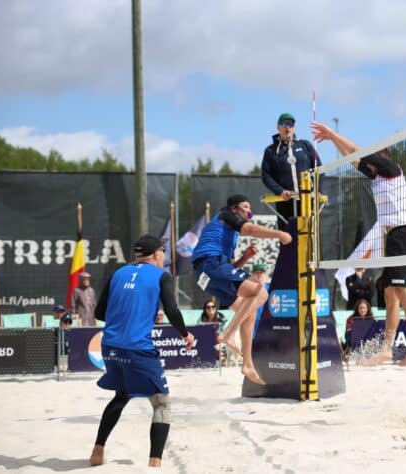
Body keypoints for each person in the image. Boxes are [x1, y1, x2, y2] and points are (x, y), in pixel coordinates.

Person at [312, 121, 406, 366]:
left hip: (403, 234)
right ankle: (387, 348)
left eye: (372, 161)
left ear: (381, 157)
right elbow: (354, 160)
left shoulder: (390, 166)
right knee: (388, 292)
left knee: (404, 292)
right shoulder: (377, 176)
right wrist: (333, 141)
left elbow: (358, 152)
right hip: (393, 237)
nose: (368, 165)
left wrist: (333, 133)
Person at [89, 234, 195, 468]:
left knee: (122, 394)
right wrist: (186, 334)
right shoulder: (161, 276)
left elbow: (99, 313)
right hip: (137, 348)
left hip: (110, 345)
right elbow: (172, 310)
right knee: (161, 404)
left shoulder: (118, 274)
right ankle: (154, 465)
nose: (164, 256)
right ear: (156, 254)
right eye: (163, 252)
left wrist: (125, 314)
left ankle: (97, 451)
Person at [191, 194, 292, 385]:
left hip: (206, 273)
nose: (248, 211)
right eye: (245, 207)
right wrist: (279, 234)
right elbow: (252, 229)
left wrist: (245, 257)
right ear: (234, 208)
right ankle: (229, 333)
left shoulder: (228, 234)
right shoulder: (226, 215)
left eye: (249, 208)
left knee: (250, 310)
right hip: (209, 265)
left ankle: (247, 364)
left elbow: (230, 267)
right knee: (261, 292)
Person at [261, 113, 322, 231]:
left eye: (290, 124)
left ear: (294, 127)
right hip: (285, 200)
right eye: (284, 124)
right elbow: (266, 176)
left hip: (307, 199)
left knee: (309, 237)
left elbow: (318, 169)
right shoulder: (271, 151)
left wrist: (318, 190)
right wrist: (280, 191)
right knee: (287, 238)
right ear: (278, 127)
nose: (287, 127)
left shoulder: (305, 145)